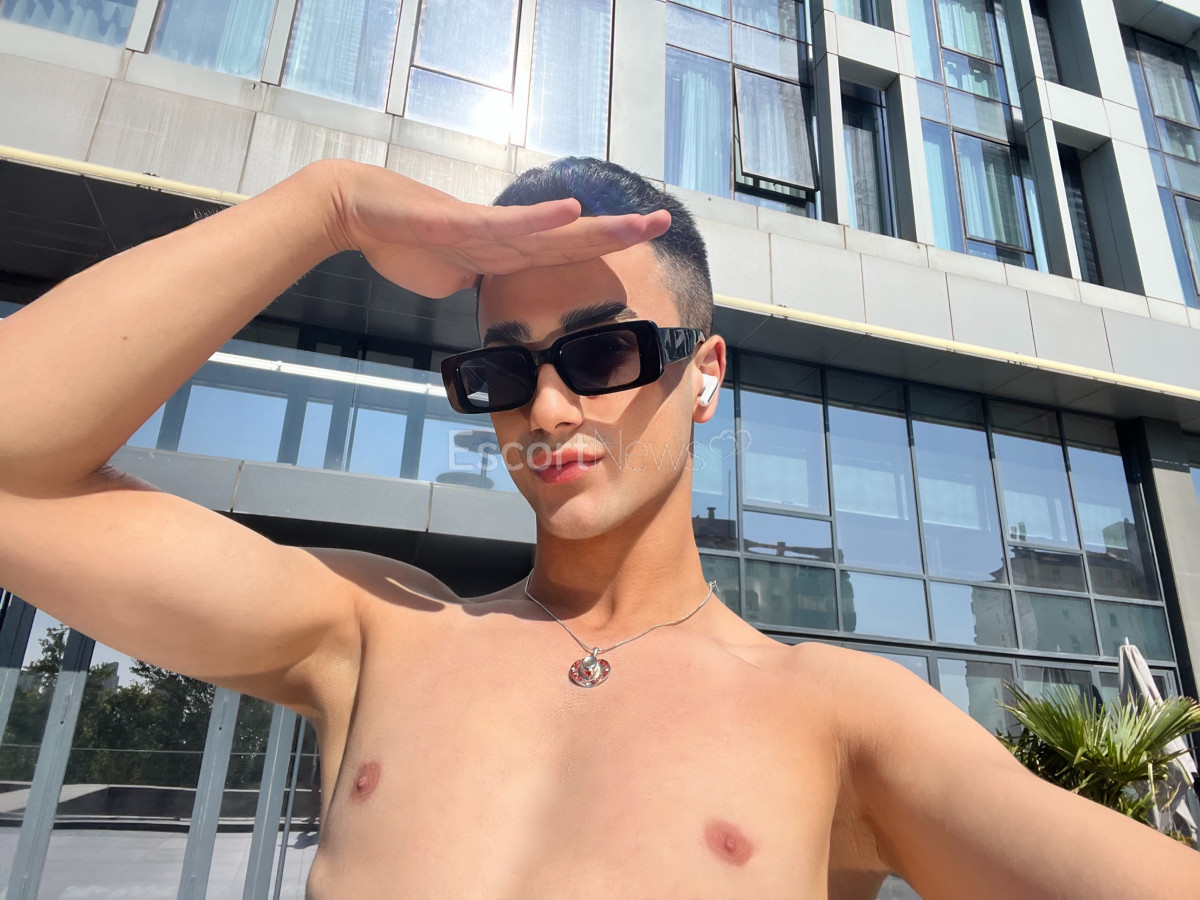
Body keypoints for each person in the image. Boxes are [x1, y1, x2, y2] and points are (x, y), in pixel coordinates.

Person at [0, 155, 1196, 900]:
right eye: (502, 371)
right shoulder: (377, 636)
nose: (549, 408)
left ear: (705, 372)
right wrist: (327, 206)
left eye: (601, 351)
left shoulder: (835, 719)